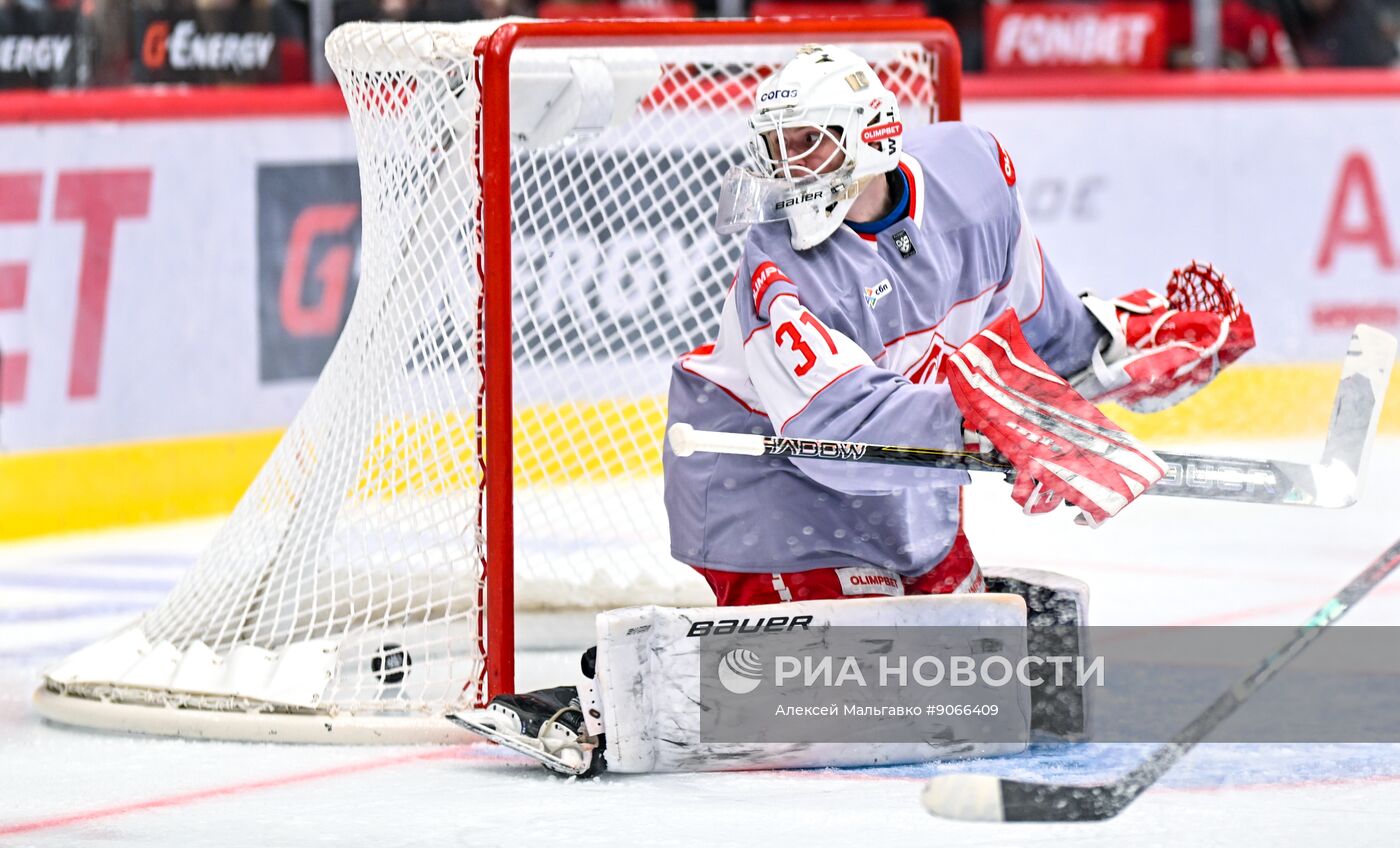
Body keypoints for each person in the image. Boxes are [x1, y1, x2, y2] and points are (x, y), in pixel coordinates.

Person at [460, 44, 1255, 776]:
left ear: (871, 137)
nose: (786, 168)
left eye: (807, 143)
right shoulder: (782, 267)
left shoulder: (972, 177)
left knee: (971, 676)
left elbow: (1042, 329)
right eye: (775, 148)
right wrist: (981, 414)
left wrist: (1121, 346)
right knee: (867, 685)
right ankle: (607, 700)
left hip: (906, 498)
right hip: (768, 488)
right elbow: (831, 431)